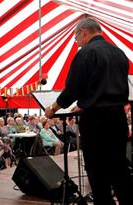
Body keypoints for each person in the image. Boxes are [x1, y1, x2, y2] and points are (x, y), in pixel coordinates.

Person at [45, 17, 133, 204]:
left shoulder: (86, 53)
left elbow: (72, 89)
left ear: (83, 32)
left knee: (97, 170)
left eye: (76, 38)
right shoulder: (120, 53)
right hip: (118, 117)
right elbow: (105, 85)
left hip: (96, 120)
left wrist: (53, 108)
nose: (76, 42)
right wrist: (85, 104)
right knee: (119, 168)